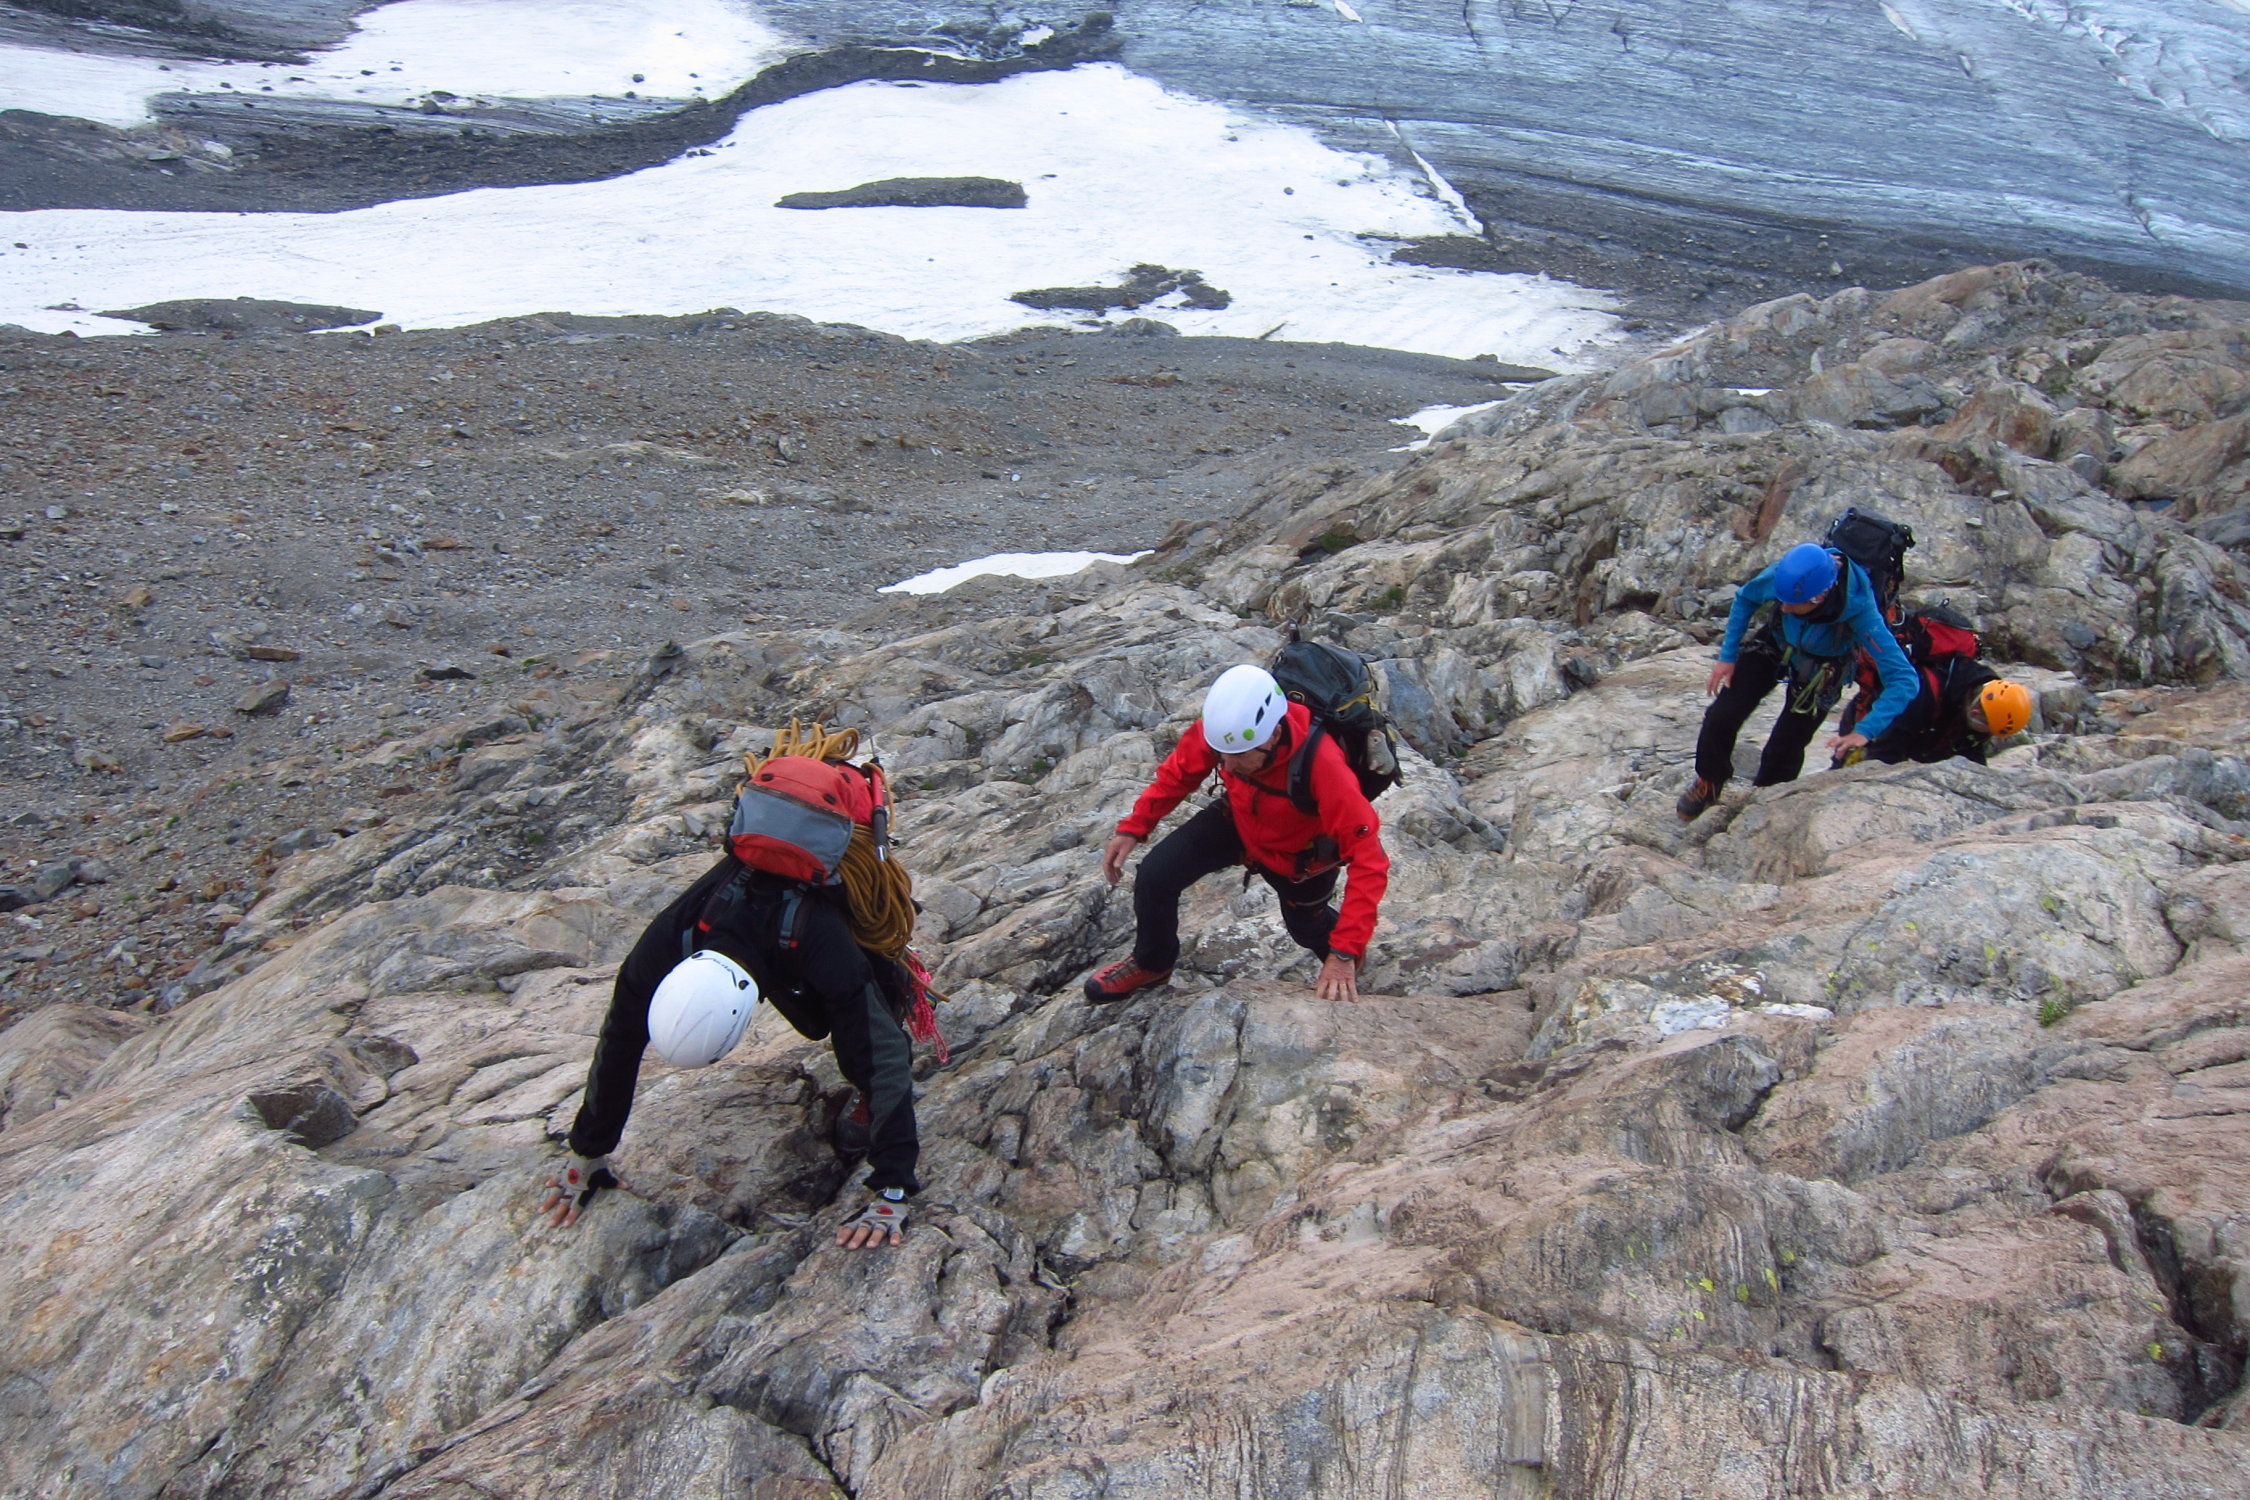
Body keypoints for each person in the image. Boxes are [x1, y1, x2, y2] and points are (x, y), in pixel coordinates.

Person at [540, 724, 931, 1250]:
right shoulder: (679, 931)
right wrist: (587, 1153)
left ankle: (866, 1102)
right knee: (841, 1014)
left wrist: (892, 1189)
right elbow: (622, 1035)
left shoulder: (818, 935)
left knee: (865, 1013)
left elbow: (884, 1053)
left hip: (818, 905)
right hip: (764, 932)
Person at [1085, 663, 1390, 1004]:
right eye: (1221, 755)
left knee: (1307, 928)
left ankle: (1347, 962)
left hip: (1298, 855)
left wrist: (1344, 952)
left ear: (1273, 734)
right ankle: (1152, 963)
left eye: (1240, 756)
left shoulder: (1323, 765)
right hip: (1240, 820)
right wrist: (1134, 827)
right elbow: (1179, 773)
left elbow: (1369, 859)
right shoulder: (1227, 733)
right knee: (1156, 875)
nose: (1227, 766)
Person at [1677, 541, 1919, 819]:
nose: (1783, 608)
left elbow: (1904, 679)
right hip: (1776, 640)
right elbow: (1746, 598)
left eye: (1792, 603)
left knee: (1785, 747)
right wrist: (1727, 656)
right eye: (1781, 600)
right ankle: (1709, 780)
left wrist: (1865, 730)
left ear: (1819, 597)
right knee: (1722, 714)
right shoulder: (1786, 576)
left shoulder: (1861, 611)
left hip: (1823, 668)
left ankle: (1762, 806)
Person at [1848, 670, 2033, 767]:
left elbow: (1971, 751)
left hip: (1918, 741)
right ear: (1977, 710)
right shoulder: (1925, 693)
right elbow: (1886, 748)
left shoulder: (1974, 695)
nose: (1984, 732)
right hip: (1867, 726)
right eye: (1986, 725)